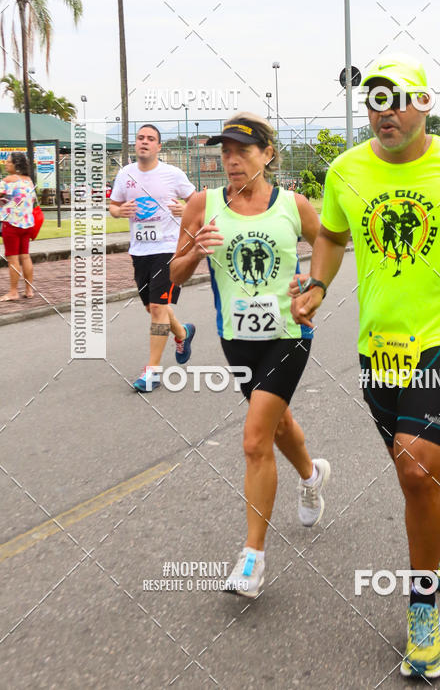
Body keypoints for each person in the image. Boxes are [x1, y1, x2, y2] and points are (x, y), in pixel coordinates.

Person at [292, 55, 440, 679]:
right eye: (374, 101)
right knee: (416, 475)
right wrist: (317, 285)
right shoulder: (345, 170)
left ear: (424, 104)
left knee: (415, 463)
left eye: (396, 101)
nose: (383, 113)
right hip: (379, 346)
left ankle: (423, 608)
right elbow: (332, 236)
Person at [170, 113, 330, 599]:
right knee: (277, 425)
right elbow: (174, 275)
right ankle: (312, 475)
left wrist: (312, 285)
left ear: (268, 154)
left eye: (242, 150)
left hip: (289, 334)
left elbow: (329, 245)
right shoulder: (203, 204)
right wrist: (195, 252)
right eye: (225, 152)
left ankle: (253, 558)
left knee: (255, 438)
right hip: (236, 339)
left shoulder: (293, 205)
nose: (232, 160)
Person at [109, 124, 196, 392]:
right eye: (140, 138)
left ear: (159, 146)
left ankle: (152, 372)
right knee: (153, 308)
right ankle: (182, 333)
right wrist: (119, 211)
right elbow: (113, 206)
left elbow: (197, 203)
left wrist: (185, 209)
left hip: (169, 249)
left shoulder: (172, 174)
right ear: (135, 144)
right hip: (140, 251)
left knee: (158, 308)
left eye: (150, 139)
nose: (144, 142)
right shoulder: (125, 174)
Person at [0, 152, 36, 301]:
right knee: (25, 256)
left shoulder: (7, 181)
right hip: (27, 224)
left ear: (16, 165)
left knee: (12, 258)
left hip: (11, 224)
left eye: (9, 162)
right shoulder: (29, 181)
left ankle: (13, 292)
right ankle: (29, 290)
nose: (6, 164)